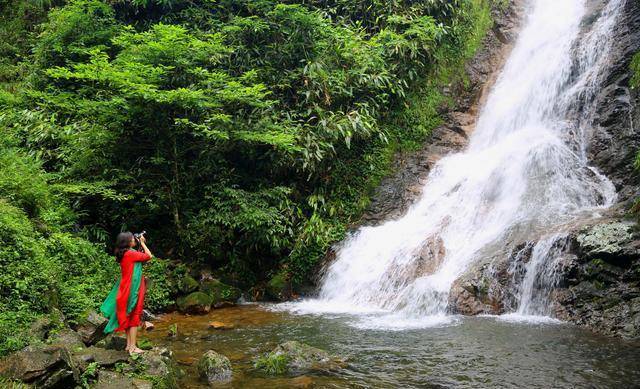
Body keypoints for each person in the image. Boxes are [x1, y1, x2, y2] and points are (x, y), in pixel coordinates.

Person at [100, 231, 153, 355]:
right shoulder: (130, 253)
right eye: (132, 239)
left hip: (124, 291)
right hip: (132, 291)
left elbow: (140, 257)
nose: (134, 240)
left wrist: (139, 243)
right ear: (128, 242)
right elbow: (148, 256)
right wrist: (143, 243)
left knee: (129, 317)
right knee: (134, 317)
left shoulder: (126, 254)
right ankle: (133, 348)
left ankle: (129, 346)